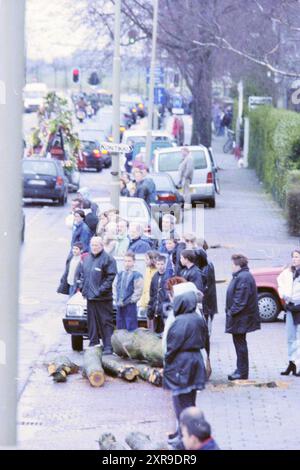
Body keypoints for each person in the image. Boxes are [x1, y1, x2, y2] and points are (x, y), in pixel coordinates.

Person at [164, 291, 207, 449]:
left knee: (180, 403)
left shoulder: (179, 322)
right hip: (196, 360)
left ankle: (184, 439)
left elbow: (171, 347)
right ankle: (188, 436)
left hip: (181, 364)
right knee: (190, 401)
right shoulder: (198, 319)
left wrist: (167, 361)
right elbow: (205, 339)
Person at [77, 237, 117, 353]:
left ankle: (108, 346)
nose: (94, 247)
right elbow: (83, 274)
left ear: (102, 246)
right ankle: (94, 342)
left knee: (105, 322)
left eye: (97, 245)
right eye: (92, 245)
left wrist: (99, 291)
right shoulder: (87, 258)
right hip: (90, 297)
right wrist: (83, 288)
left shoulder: (108, 259)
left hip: (103, 298)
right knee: (92, 321)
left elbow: (111, 277)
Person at [226, 254, 260, 380]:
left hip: (241, 318)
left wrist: (231, 312)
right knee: (239, 343)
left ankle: (242, 372)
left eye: (232, 264)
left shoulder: (243, 277)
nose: (231, 267)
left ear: (238, 265)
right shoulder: (241, 276)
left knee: (240, 345)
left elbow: (241, 300)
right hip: (240, 317)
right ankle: (240, 368)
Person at [277, 249, 300, 376]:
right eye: (293, 257)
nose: (294, 259)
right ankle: (292, 363)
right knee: (290, 337)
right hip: (291, 308)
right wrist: (284, 296)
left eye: (297, 257)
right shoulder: (288, 272)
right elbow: (280, 284)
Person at [113, 252, 144, 332]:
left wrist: (131, 300)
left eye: (129, 261)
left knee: (130, 326)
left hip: (130, 305)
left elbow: (138, 290)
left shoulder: (137, 275)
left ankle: (131, 344)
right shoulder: (120, 274)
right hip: (119, 304)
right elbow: (114, 286)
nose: (127, 263)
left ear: (133, 262)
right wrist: (116, 298)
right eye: (125, 261)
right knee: (120, 325)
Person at [147, 255, 170, 334]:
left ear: (165, 264)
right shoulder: (155, 277)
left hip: (165, 310)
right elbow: (152, 294)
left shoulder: (169, 276)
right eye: (158, 264)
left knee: (165, 332)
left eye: (162, 264)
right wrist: (150, 308)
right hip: (156, 310)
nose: (160, 266)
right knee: (156, 332)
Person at [138, 251, 158, 324]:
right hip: (147, 303)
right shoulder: (147, 269)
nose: (145, 261)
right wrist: (142, 303)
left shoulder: (157, 271)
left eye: (147, 259)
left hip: (153, 304)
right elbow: (145, 288)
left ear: (152, 259)